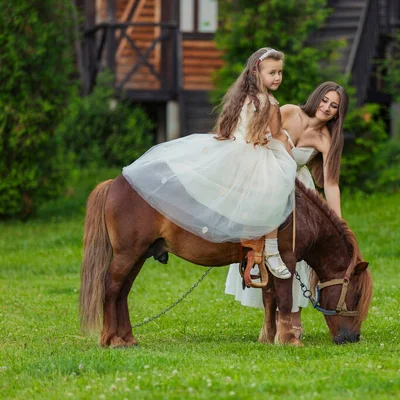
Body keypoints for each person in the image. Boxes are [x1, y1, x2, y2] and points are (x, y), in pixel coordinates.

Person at [122, 47, 296, 279]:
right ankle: (272, 250)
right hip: (252, 154)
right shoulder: (271, 104)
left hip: (232, 150)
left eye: (279, 73)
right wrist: (289, 151)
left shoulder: (240, 98)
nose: (277, 77)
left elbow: (230, 126)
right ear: (257, 72)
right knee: (274, 191)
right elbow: (277, 134)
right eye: (272, 72)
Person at [225, 82, 349, 337]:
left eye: (334, 106)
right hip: (268, 177)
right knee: (263, 247)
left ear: (338, 113)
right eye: (325, 100)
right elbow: (262, 136)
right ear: (316, 97)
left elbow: (331, 183)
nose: (326, 107)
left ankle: (293, 317)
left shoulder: (327, 139)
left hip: (299, 188)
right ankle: (269, 318)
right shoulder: (291, 112)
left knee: (298, 252)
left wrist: (338, 224)